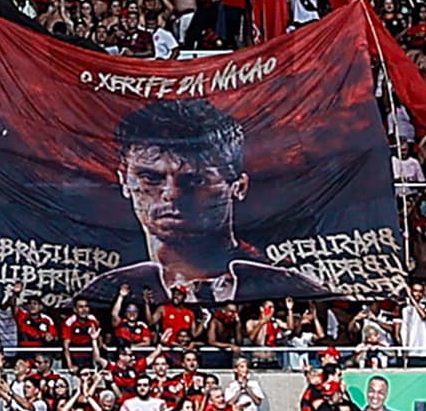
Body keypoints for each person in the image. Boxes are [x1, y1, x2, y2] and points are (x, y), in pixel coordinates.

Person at [77, 98, 329, 304]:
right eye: (150, 177)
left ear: (238, 187)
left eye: (194, 181)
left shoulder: (288, 287)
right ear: (125, 181)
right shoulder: (105, 291)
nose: (171, 193)